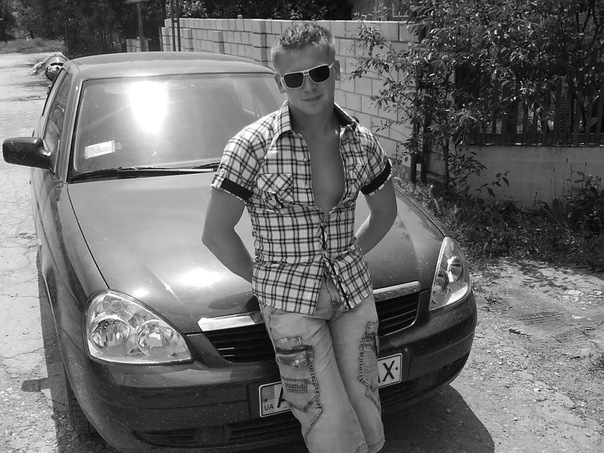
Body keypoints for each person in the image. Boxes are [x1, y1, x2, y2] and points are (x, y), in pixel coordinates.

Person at [202, 22, 397, 453]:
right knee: (326, 419)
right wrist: (269, 280)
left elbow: (385, 212)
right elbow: (215, 234)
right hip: (291, 307)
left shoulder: (361, 142)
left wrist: (347, 258)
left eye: (318, 73)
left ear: (335, 70)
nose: (309, 86)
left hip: (353, 295)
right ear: (280, 83)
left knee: (367, 405)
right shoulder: (252, 146)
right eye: (294, 79)